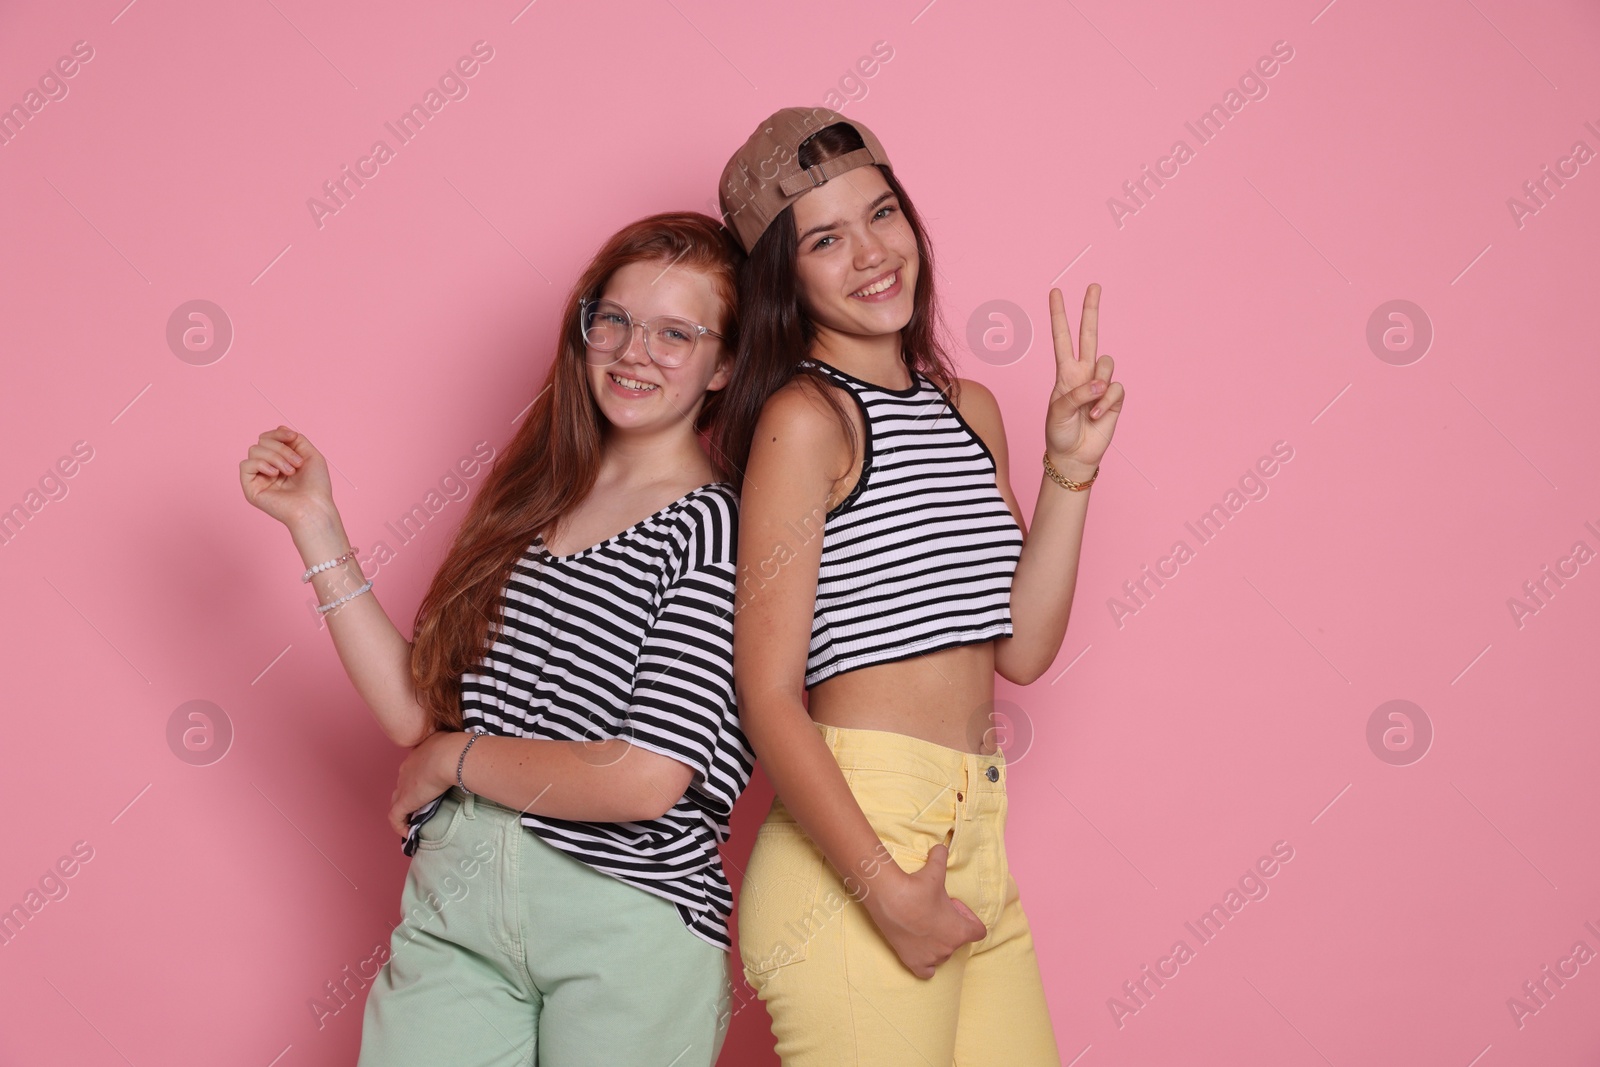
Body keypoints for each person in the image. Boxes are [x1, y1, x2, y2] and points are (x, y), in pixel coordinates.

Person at [238, 212, 754, 1066]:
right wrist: (316, 526)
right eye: (615, 319)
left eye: (676, 332)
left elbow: (646, 776)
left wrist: (453, 759)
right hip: (459, 895)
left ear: (725, 364)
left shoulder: (717, 529)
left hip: (627, 918)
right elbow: (417, 712)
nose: (634, 351)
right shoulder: (532, 502)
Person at [711, 108, 1126, 1065]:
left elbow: (1017, 648)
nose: (870, 253)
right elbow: (767, 693)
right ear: (786, 276)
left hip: (977, 829)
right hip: (861, 840)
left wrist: (1071, 471)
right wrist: (883, 887)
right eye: (825, 238)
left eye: (882, 214)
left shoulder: (967, 411)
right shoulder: (806, 420)